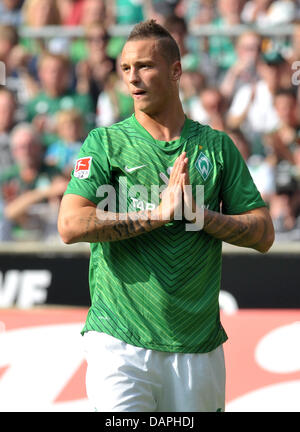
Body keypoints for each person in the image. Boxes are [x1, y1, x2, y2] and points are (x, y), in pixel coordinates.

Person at [58, 19, 274, 412]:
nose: (133, 78)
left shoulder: (216, 147)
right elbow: (70, 225)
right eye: (126, 68)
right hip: (119, 340)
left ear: (176, 70)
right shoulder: (106, 143)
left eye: (145, 66)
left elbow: (263, 233)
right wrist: (158, 215)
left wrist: (201, 215)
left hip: (196, 347)